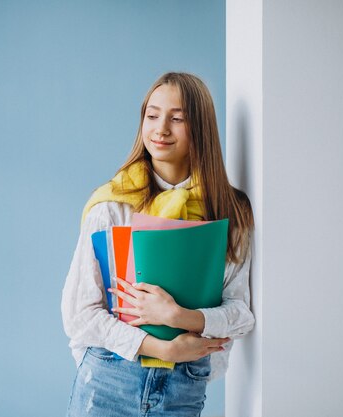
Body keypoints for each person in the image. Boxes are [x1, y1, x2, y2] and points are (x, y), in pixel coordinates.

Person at [61, 72, 255, 417]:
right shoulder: (112, 205)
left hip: (182, 388)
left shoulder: (229, 212)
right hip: (110, 380)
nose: (160, 129)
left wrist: (180, 316)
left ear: (200, 128)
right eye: (152, 115)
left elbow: (240, 315)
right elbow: (81, 315)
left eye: (177, 118)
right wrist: (163, 349)